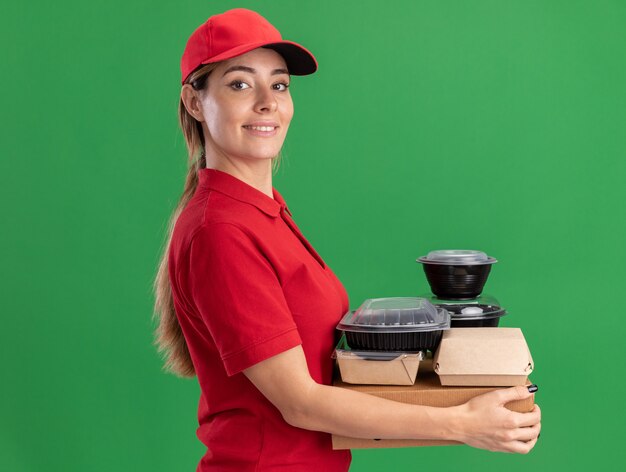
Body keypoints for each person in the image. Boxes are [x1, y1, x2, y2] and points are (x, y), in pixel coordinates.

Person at [153, 8, 541, 472]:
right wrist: (462, 422)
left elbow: (327, 374)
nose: (267, 102)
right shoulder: (222, 231)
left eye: (279, 85)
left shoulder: (263, 213)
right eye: (240, 84)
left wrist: (468, 387)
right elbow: (301, 403)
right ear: (195, 103)